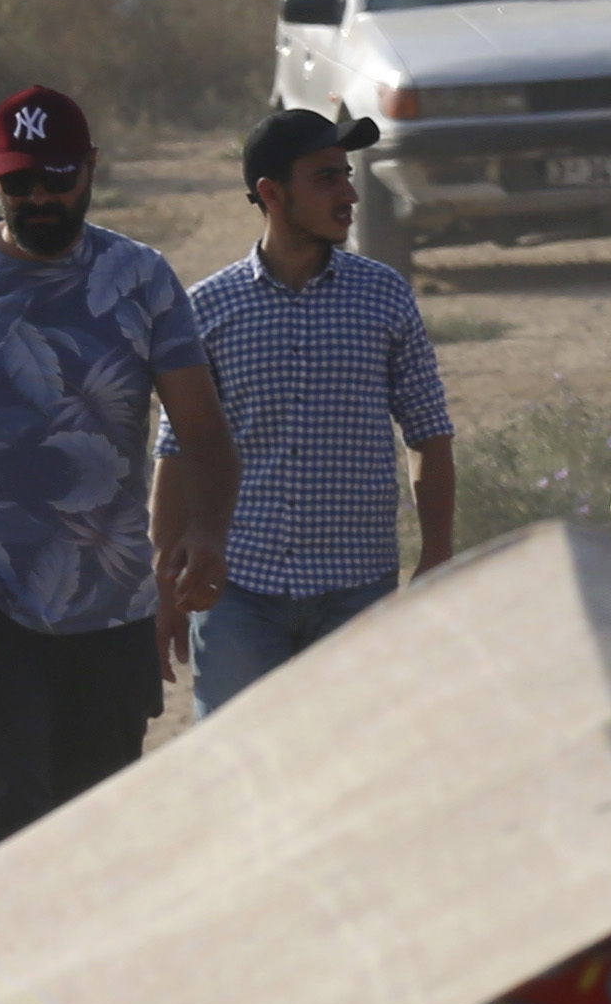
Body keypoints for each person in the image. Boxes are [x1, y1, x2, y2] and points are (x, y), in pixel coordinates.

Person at [0, 84, 232, 849]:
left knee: (98, 837)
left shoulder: (140, 279)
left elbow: (204, 432)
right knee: (9, 826)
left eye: (57, 179)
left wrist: (207, 533)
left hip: (110, 605)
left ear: (90, 169)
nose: (40, 199)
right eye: (18, 182)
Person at [180, 104, 455, 713]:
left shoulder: (384, 297)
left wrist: (437, 554)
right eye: (326, 178)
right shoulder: (207, 309)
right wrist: (164, 574)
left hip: (358, 594)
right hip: (240, 594)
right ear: (272, 194)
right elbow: (178, 449)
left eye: (347, 175)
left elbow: (429, 434)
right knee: (239, 762)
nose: (349, 194)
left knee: (355, 764)